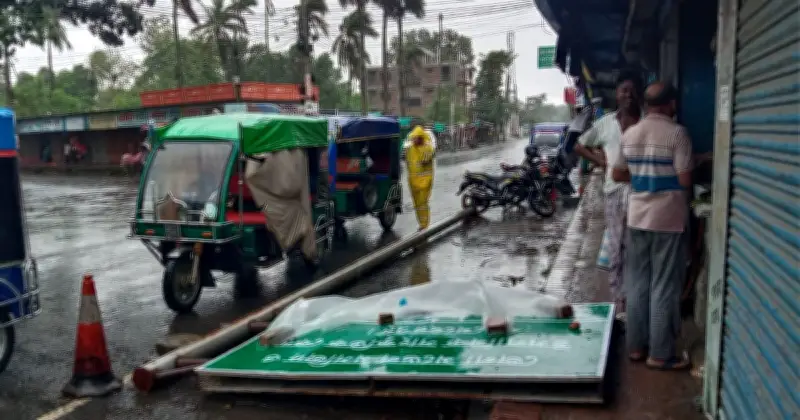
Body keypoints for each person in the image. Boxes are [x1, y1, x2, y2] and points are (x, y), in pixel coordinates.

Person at [612, 81, 693, 370]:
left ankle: (636, 348)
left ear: (647, 105)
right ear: (670, 103)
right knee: (664, 285)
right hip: (667, 219)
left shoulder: (630, 133)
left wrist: (643, 177)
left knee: (637, 282)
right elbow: (684, 180)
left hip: (637, 217)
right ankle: (660, 355)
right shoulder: (677, 134)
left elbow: (617, 173)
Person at [573, 72, 643, 320]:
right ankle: (618, 303)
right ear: (617, 94)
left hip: (642, 193)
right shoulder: (607, 123)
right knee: (616, 249)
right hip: (614, 191)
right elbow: (580, 144)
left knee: (637, 249)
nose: (628, 95)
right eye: (624, 90)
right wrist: (600, 160)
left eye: (633, 90)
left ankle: (635, 303)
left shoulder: (645, 122)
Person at [405, 126, 435, 230]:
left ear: (421, 137)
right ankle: (421, 224)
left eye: (416, 138)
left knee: (423, 203)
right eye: (413, 138)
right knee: (417, 204)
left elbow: (425, 158)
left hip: (425, 181)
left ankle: (424, 225)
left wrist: (421, 146)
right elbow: (406, 160)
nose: (414, 140)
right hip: (413, 182)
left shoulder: (427, 147)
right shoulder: (410, 148)